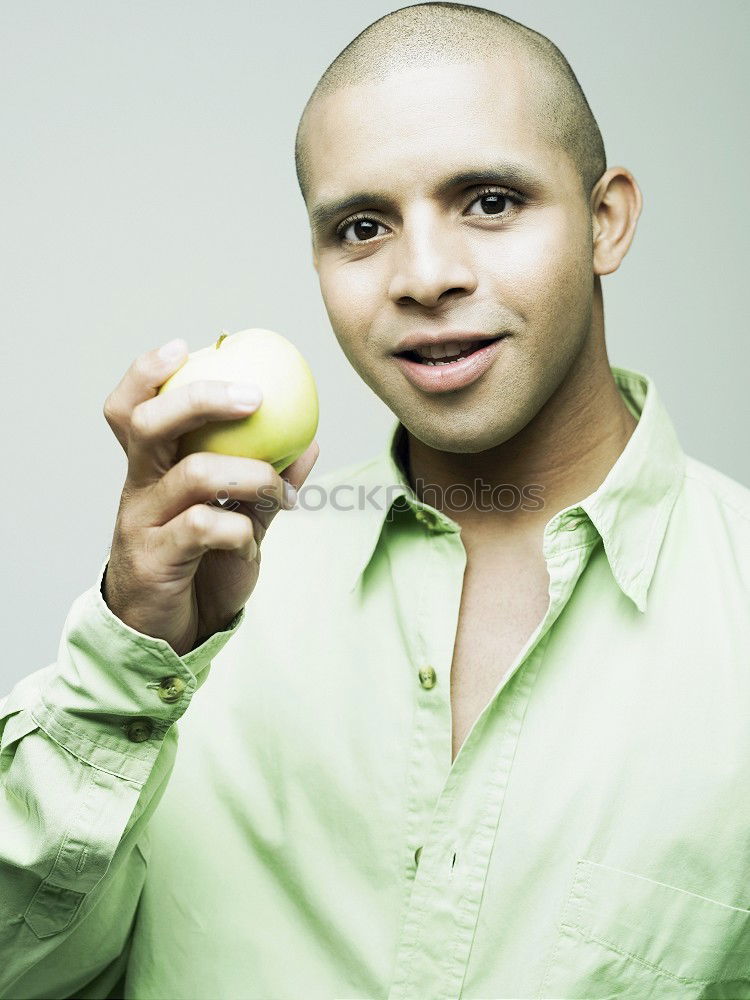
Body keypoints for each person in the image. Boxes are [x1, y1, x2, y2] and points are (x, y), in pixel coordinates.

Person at [2, 3, 749, 998]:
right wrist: (132, 652)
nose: (425, 277)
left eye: (489, 201)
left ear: (605, 219)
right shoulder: (197, 612)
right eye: (362, 226)